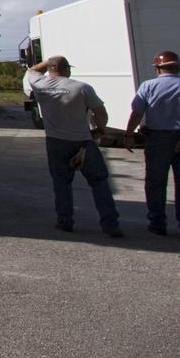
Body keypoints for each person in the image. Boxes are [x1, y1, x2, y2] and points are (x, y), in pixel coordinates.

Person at [24, 56, 123, 237]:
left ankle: (65, 221)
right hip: (83, 141)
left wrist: (48, 61)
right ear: (67, 69)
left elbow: (32, 71)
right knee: (99, 182)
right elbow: (100, 112)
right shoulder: (81, 88)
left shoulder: (39, 85)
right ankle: (110, 224)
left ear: (51, 68)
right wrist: (100, 130)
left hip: (55, 141)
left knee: (61, 184)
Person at [124, 51, 180, 240]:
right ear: (179, 67)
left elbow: (137, 112)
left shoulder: (148, 86)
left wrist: (128, 134)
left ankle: (157, 224)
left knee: (155, 182)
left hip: (157, 138)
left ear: (157, 69)